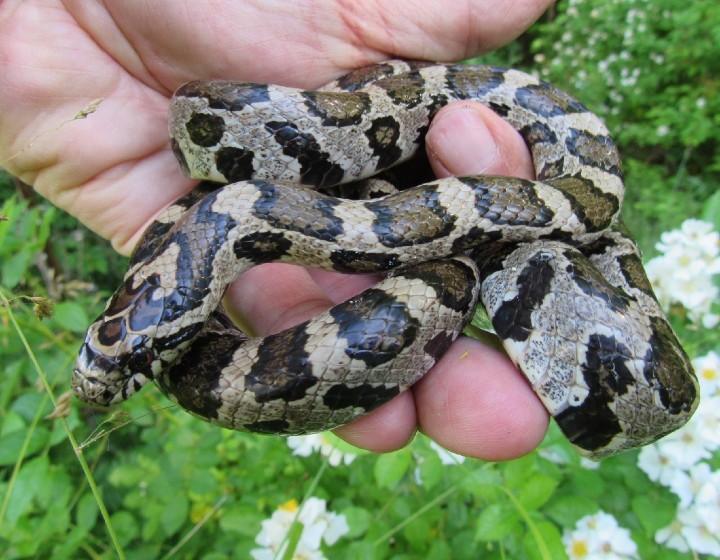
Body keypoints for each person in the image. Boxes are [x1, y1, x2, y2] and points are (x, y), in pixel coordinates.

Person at [0, 0, 553, 460]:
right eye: (133, 358)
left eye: (140, 358)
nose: (103, 386)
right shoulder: (214, 227)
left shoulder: (221, 215)